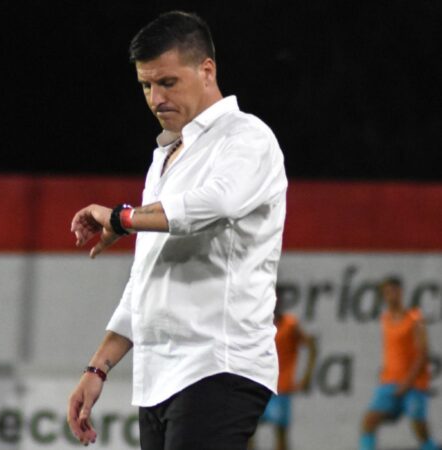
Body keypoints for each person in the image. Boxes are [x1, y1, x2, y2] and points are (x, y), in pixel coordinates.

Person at [67, 10, 287, 450]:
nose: (156, 98)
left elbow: (217, 203)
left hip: (218, 365)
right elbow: (147, 275)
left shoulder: (247, 137)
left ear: (207, 71)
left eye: (168, 82)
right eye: (146, 86)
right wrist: (98, 367)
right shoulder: (166, 157)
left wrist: (122, 218)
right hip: (159, 377)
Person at [359, 276, 438, 450]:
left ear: (401, 292)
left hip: (414, 384)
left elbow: (423, 354)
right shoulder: (385, 319)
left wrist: (407, 383)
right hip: (389, 382)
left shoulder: (415, 318)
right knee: (369, 421)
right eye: (387, 292)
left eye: (394, 290)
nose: (391, 295)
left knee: (420, 429)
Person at [248, 292, 317, 450]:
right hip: (259, 387)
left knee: (280, 434)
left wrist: (307, 377)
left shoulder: (289, 325)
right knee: (249, 432)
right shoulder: (257, 326)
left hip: (281, 388)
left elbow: (311, 345)